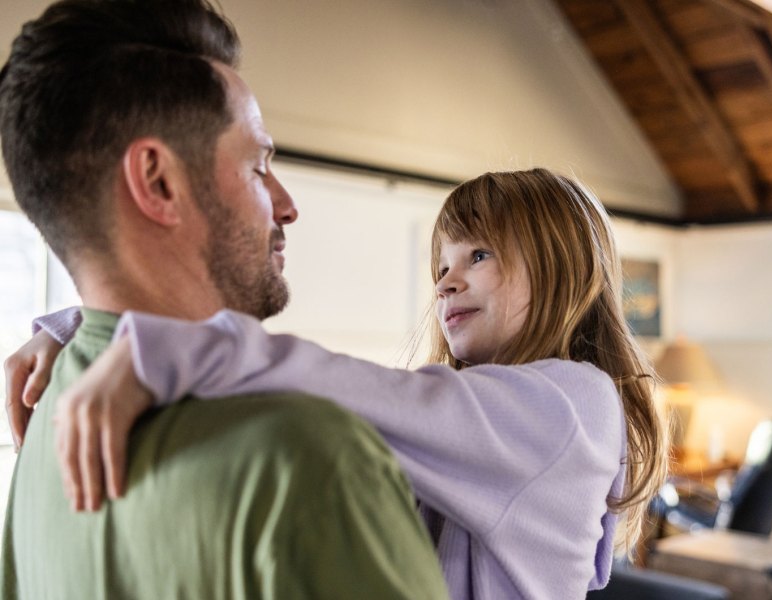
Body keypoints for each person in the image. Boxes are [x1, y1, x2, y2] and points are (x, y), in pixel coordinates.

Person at [7, 168, 670, 599]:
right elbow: (319, 391)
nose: (445, 280)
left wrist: (150, 346)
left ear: (563, 267)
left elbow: (349, 387)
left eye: (479, 255)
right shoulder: (487, 413)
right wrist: (89, 328)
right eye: (441, 263)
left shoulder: (570, 405)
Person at [0, 1, 451, 599]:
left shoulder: (43, 426)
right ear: (159, 183)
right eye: (260, 163)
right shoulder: (310, 464)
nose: (286, 203)